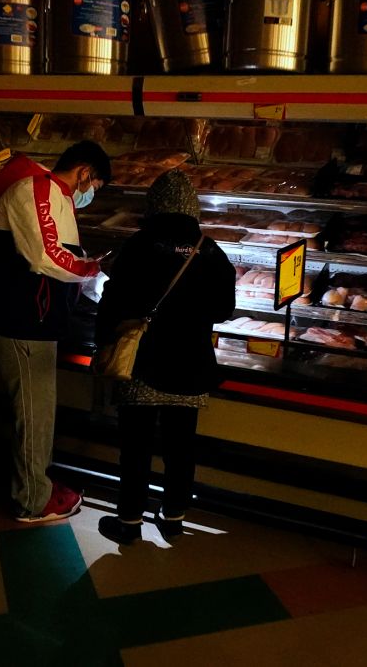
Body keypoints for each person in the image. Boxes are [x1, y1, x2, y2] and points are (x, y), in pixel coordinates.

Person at [93, 169, 236, 545]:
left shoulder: (139, 245)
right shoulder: (210, 249)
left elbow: (113, 298)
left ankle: (128, 523)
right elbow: (225, 309)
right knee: (181, 447)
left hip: (143, 363)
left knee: (136, 447)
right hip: (191, 365)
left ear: (154, 205)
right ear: (193, 207)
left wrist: (102, 342)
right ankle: (173, 517)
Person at [0, 141, 111, 522]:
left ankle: (37, 483)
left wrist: (97, 283)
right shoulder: (36, 188)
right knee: (34, 413)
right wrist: (89, 271)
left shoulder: (56, 197)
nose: (91, 194)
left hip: (37, 320)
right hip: (20, 320)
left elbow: (63, 256)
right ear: (85, 172)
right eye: (96, 185)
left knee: (40, 411)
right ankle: (32, 501)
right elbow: (45, 256)